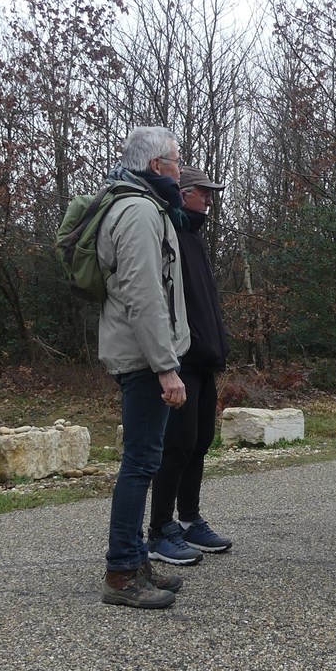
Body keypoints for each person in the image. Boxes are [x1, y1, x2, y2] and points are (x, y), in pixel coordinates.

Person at [96, 127, 192, 609]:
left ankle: (134, 559)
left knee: (144, 460)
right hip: (141, 358)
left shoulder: (142, 206)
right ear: (157, 166)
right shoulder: (136, 211)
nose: (180, 167)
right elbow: (144, 294)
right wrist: (165, 367)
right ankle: (120, 573)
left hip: (141, 355)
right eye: (176, 160)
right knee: (139, 464)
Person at [147, 166, 234, 564]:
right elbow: (158, 303)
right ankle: (160, 527)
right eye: (203, 192)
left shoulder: (194, 239)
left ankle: (189, 519)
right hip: (178, 358)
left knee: (200, 441)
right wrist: (167, 360)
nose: (209, 200)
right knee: (176, 445)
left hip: (204, 359)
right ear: (183, 194)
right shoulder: (167, 235)